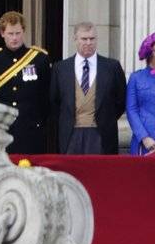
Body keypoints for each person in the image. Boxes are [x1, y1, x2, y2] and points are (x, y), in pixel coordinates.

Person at [0, 10, 54, 154]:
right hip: (2, 129)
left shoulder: (39, 59)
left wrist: (39, 122)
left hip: (31, 129)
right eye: (10, 34)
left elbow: (45, 97)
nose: (14, 38)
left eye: (18, 33)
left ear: (23, 32)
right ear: (2, 33)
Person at [51, 21, 126, 155]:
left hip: (101, 134)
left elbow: (121, 101)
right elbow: (54, 102)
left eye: (92, 39)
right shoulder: (60, 68)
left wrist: (105, 117)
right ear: (75, 39)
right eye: (84, 39)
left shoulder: (112, 67)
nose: (88, 42)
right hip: (70, 135)